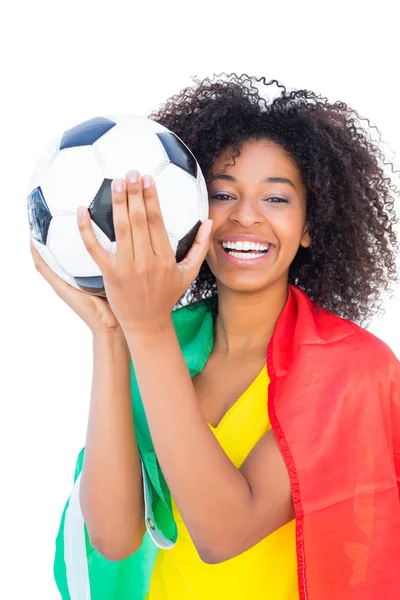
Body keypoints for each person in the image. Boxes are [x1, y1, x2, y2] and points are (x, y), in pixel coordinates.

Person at [31, 74, 400, 600]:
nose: (245, 216)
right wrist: (112, 333)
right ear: (193, 210)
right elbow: (113, 539)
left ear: (310, 226)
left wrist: (147, 329)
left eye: (276, 198)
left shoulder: (354, 369)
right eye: (223, 193)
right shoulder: (165, 341)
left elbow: (223, 533)